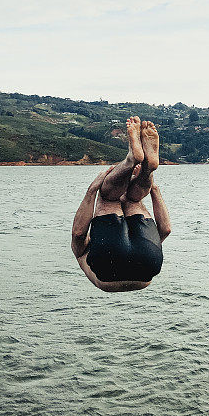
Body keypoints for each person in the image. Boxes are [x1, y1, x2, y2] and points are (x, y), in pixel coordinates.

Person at [71, 117, 172, 292]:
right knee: (124, 199)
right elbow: (78, 233)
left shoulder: (83, 253)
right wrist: (93, 191)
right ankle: (139, 165)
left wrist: (93, 189)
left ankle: (137, 164)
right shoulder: (86, 249)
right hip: (145, 263)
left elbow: (165, 230)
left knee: (123, 200)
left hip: (121, 268)